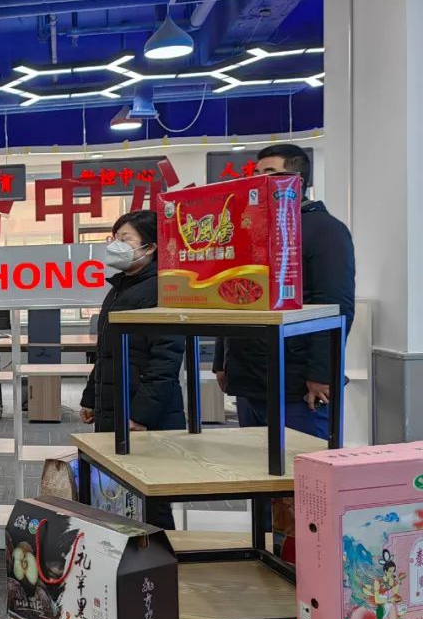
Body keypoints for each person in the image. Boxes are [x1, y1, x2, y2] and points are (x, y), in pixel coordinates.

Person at [213, 143, 356, 439]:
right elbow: (231, 297)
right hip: (249, 378)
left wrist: (322, 373)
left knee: (302, 462)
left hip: (297, 382)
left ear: (297, 182)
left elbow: (335, 304)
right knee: (251, 462)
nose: (259, 180)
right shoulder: (248, 229)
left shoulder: (324, 230)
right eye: (255, 173)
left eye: (270, 172)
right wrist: (222, 362)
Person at [79, 210, 183, 530]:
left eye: (125, 239)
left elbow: (166, 358)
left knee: (150, 500)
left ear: (150, 247)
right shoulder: (121, 288)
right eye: (114, 238)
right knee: (118, 495)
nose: (116, 245)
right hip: (115, 405)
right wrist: (90, 398)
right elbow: (106, 352)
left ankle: (162, 557)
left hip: (142, 416)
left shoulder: (160, 289)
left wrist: (141, 414)